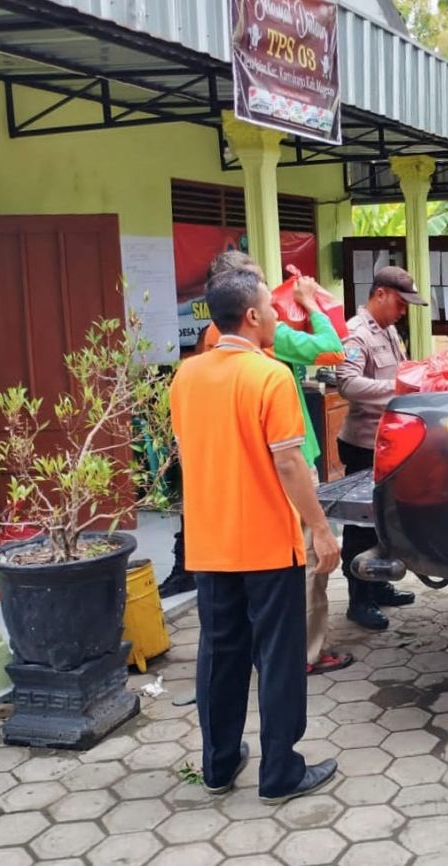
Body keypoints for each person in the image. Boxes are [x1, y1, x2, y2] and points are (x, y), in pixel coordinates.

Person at [170, 267, 340, 802]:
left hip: (209, 543)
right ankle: (280, 771)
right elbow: (289, 463)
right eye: (270, 307)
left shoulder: (186, 376)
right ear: (250, 316)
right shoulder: (270, 376)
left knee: (219, 655)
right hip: (268, 542)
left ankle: (218, 765)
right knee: (278, 658)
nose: (275, 314)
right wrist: (320, 529)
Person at [162, 251, 352, 675]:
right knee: (302, 561)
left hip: (224, 494)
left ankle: (256, 660)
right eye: (266, 299)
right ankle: (301, 654)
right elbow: (331, 351)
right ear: (249, 309)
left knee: (228, 613)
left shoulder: (198, 358)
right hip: (283, 468)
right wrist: (310, 303)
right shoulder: (265, 354)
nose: (273, 310)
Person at [335, 265, 428, 630]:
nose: (403, 311)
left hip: (389, 440)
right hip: (363, 443)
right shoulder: (356, 334)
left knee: (383, 519)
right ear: (380, 294)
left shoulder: (388, 330)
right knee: (361, 524)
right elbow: (347, 384)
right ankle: (359, 600)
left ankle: (379, 586)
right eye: (401, 303)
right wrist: (396, 389)